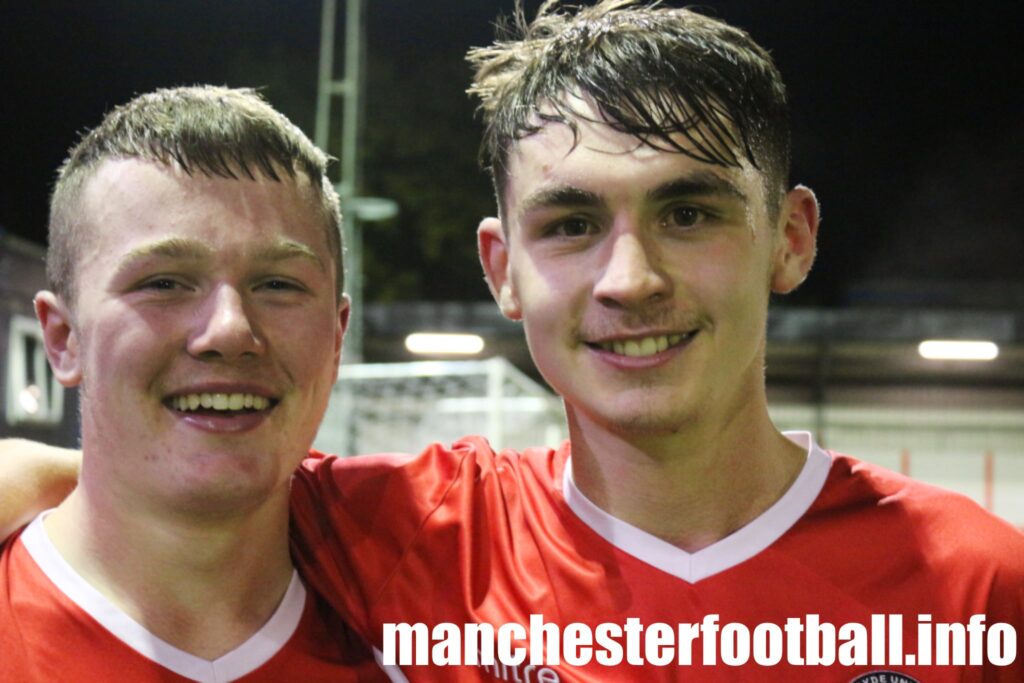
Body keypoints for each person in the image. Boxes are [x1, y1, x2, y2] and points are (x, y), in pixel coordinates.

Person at [4, 2, 1022, 681]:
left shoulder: (975, 585)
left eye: (690, 213)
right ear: (501, 267)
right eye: (571, 224)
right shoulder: (409, 535)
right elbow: (155, 477)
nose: (631, 279)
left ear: (789, 238)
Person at [0, 86, 387, 681]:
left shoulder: (445, 626)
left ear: (337, 337)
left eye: (279, 285)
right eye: (164, 282)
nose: (229, 330)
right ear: (62, 338)